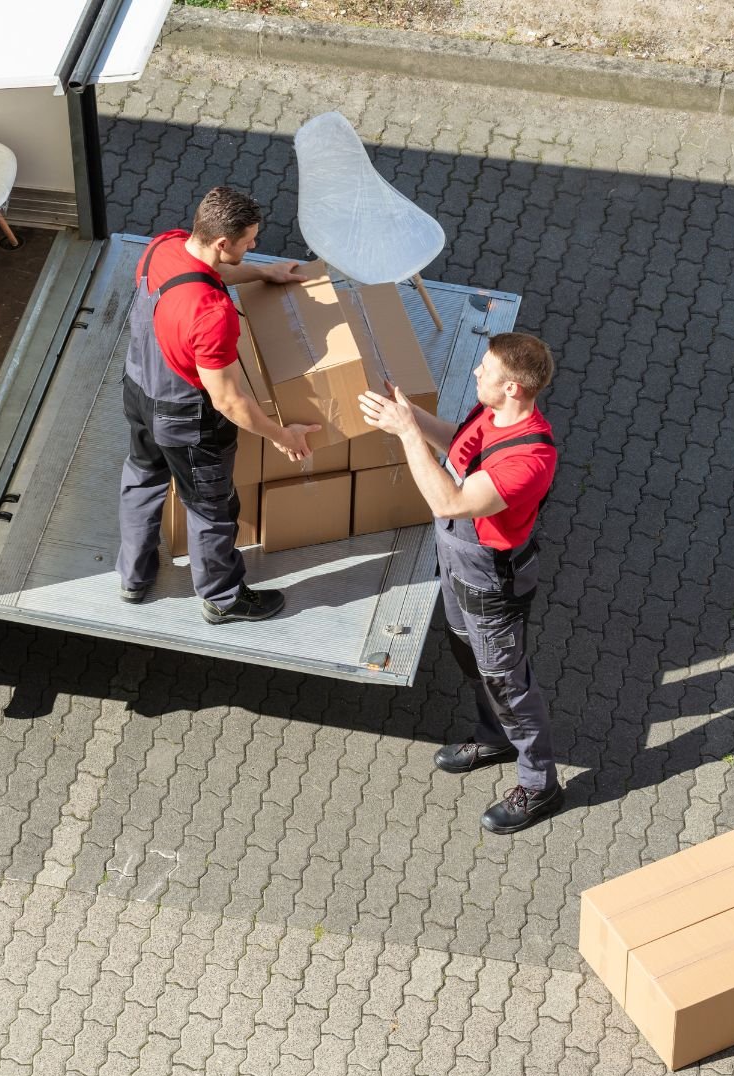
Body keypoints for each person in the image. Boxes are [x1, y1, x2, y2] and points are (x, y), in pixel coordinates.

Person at [358, 332, 562, 833]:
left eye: (485, 369)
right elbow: (459, 448)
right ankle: (494, 738)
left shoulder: (529, 458)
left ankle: (540, 785)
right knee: (468, 656)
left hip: (490, 582)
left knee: (507, 683)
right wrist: (408, 414)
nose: (476, 372)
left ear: (512, 387)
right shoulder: (490, 413)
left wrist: (408, 434)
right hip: (456, 564)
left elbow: (449, 500)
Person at [116, 186, 320, 623]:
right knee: (211, 507)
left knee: (143, 478)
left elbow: (204, 273)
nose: (255, 245)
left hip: (138, 388)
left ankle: (133, 577)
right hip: (186, 419)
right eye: (249, 241)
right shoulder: (212, 314)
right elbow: (227, 400)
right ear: (223, 242)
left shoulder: (164, 245)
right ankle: (223, 598)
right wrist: (281, 435)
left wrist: (264, 273)